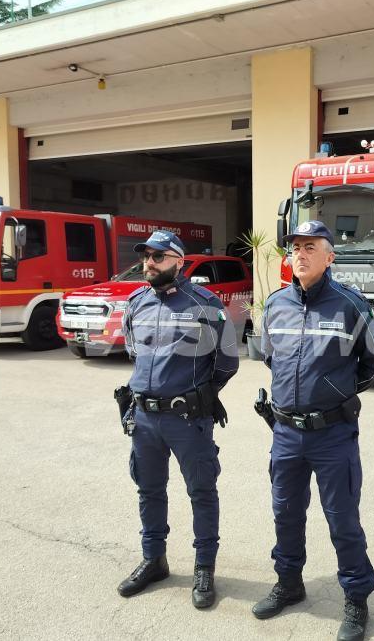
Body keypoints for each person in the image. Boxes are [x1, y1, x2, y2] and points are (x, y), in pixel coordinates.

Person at [253, 220, 374, 641]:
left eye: (311, 247)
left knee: (342, 519)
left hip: (333, 434)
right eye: (295, 247)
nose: (301, 254)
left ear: (330, 257)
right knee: (285, 514)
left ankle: (356, 597)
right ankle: (289, 583)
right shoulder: (276, 304)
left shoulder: (350, 305)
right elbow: (268, 356)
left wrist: (337, 393)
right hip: (286, 433)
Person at [116, 230, 238, 608]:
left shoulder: (206, 304)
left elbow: (228, 362)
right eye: (146, 257)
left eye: (157, 257)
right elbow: (134, 349)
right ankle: (154, 559)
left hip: (187, 419)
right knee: (149, 490)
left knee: (201, 492)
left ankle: (204, 566)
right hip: (145, 420)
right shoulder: (136, 302)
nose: (148, 264)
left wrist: (199, 394)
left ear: (178, 262)